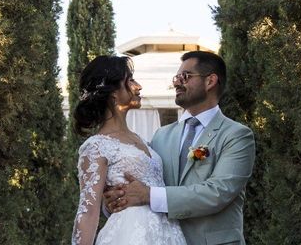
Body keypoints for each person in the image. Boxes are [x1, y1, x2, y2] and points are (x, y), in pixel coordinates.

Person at [104, 51, 255, 245]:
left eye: (185, 76)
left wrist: (149, 195)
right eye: (176, 77)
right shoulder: (161, 135)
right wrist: (115, 201)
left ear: (210, 81)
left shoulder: (236, 135)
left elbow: (218, 192)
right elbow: (141, 183)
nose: (176, 83)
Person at [71, 55, 187, 245]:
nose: (138, 86)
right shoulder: (95, 147)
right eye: (130, 80)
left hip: (168, 233)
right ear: (113, 93)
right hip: (130, 236)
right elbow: (88, 212)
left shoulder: (142, 139)